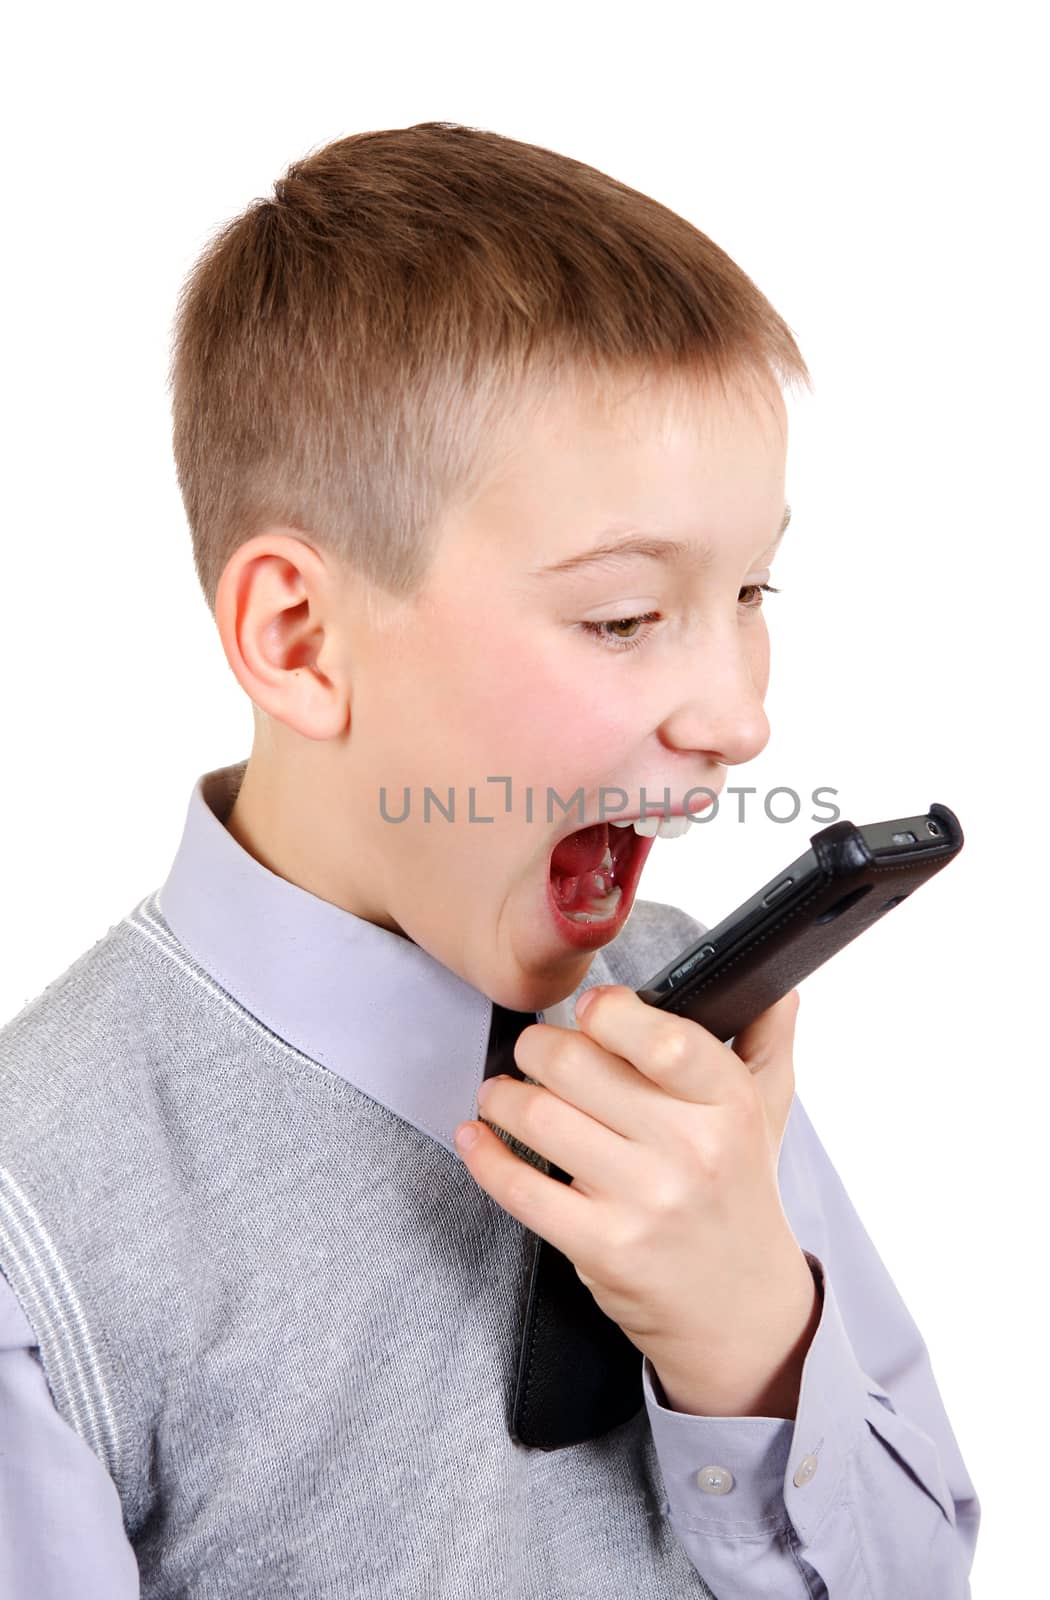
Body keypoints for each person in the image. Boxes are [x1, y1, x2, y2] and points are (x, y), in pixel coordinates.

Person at [0, 122, 980, 1598]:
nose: (742, 717)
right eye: (625, 617)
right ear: (299, 641)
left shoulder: (684, 1035)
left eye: (753, 589)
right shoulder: (43, 1226)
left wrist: (750, 1339)